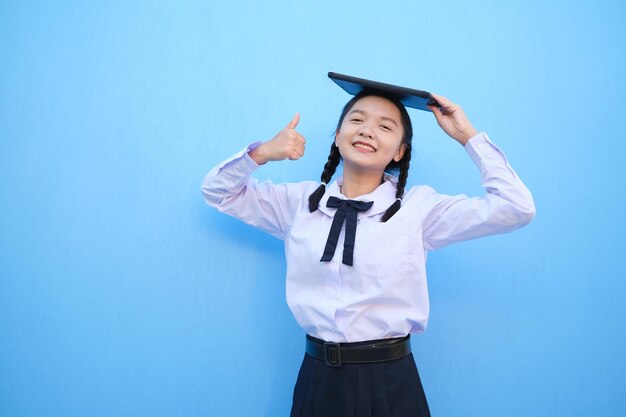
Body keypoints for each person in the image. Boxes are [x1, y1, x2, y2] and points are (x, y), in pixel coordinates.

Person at [201, 75, 535, 417]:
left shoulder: (418, 209)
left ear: (400, 151)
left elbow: (516, 208)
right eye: (357, 120)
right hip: (318, 377)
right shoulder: (298, 203)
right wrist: (261, 153)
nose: (367, 130)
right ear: (338, 134)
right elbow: (218, 191)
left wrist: (468, 137)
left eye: (385, 126)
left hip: (389, 380)